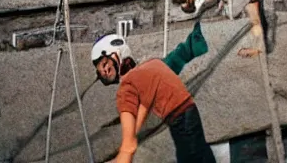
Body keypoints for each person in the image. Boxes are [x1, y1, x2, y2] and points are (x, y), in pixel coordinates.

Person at [91, 25, 215, 163]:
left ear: (116, 54)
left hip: (181, 121)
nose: (105, 71)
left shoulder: (127, 88)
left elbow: (129, 144)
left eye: (104, 64)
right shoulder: (152, 65)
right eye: (100, 70)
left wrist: (124, 153)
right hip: (189, 114)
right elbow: (143, 109)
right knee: (201, 156)